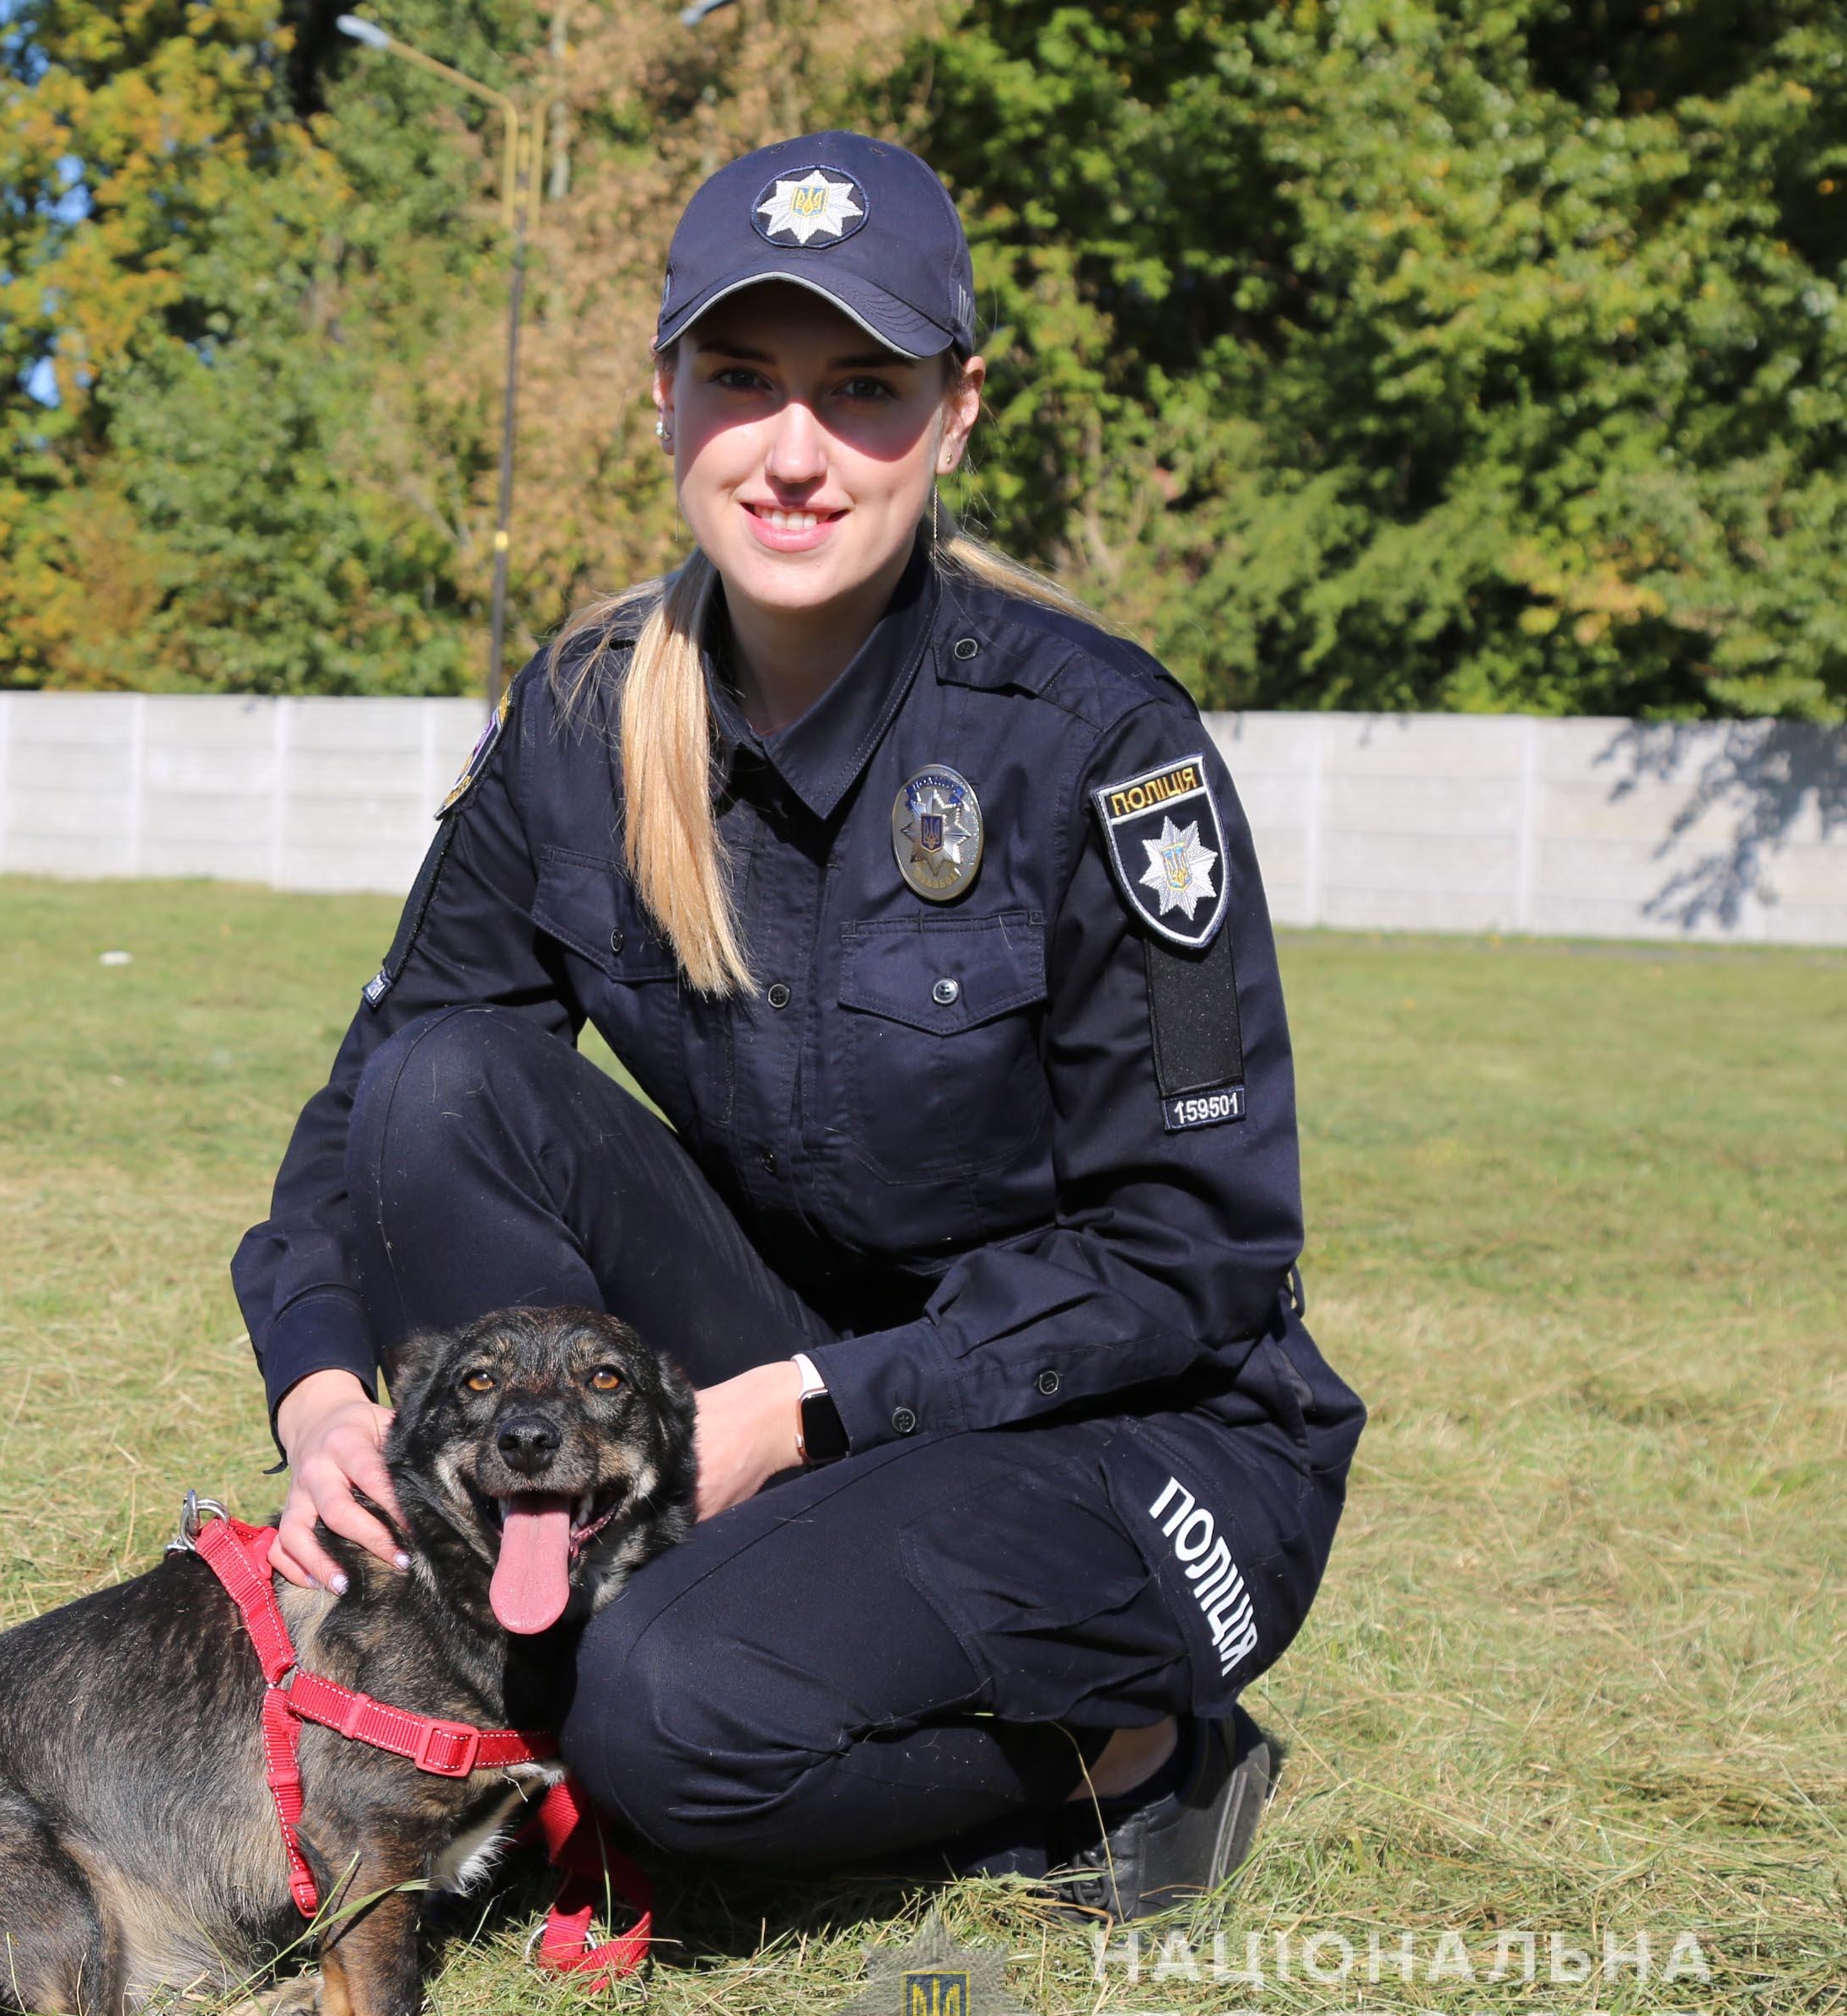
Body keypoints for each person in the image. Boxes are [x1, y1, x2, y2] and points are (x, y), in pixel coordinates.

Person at [229, 129, 1366, 1918]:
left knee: (660, 1715)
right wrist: (311, 1377)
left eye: (864, 391)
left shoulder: (1103, 746)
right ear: (665, 392)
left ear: (959, 408)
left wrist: (823, 1402)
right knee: (454, 1088)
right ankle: (598, 1671)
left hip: (1137, 1438)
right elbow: (387, 1088)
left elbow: (1198, 1248)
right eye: (744, 379)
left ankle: (1144, 1750)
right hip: (798, 1371)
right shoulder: (585, 716)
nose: (793, 451)